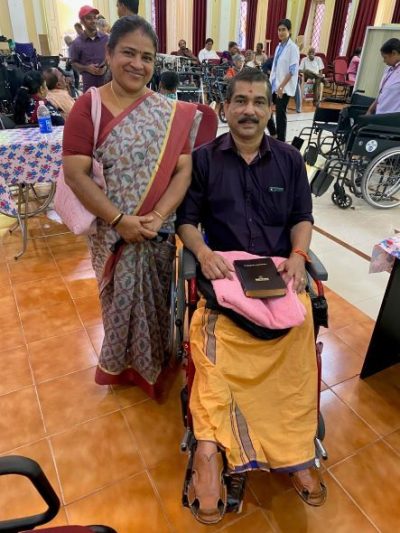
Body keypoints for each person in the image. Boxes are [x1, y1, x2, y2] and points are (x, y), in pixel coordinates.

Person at [176, 68, 326, 525]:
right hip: (226, 281)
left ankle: (295, 451)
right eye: (240, 100)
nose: (249, 110)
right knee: (214, 343)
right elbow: (186, 220)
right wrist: (201, 252)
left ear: (269, 108)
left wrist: (299, 256)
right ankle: (210, 450)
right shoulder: (203, 159)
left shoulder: (288, 160)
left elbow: (302, 215)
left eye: (259, 101)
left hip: (279, 279)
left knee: (299, 328)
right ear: (225, 107)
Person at [62, 15, 200, 399]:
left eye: (147, 57)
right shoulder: (86, 108)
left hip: (155, 232)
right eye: (128, 53)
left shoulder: (168, 112)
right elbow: (75, 174)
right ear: (108, 53)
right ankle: (124, 366)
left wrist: (155, 218)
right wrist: (119, 220)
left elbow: (184, 170)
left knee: (157, 299)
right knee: (117, 304)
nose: (138, 64)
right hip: (112, 234)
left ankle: (156, 363)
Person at [270, 19, 299, 141]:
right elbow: (276, 67)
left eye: (284, 30)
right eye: (279, 30)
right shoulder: (278, 47)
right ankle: (273, 134)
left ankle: (281, 141)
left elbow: (292, 70)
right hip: (274, 84)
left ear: (289, 31)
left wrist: (281, 86)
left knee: (280, 115)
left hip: (284, 87)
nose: (281, 32)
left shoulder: (293, 48)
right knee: (265, 109)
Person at [69, 5, 108, 92]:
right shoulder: (76, 43)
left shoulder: (106, 39)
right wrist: (87, 68)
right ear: (82, 21)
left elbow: (112, 57)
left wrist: (106, 66)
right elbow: (73, 63)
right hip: (89, 88)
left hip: (107, 85)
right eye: (89, 18)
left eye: (95, 18)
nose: (93, 21)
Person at [367, 38, 400, 115]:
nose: (384, 61)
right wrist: (370, 110)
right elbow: (382, 94)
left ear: (394, 53)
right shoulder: (389, 69)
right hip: (380, 115)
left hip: (392, 118)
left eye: (385, 57)